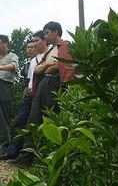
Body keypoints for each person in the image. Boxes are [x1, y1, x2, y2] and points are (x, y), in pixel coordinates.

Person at [12, 22, 75, 168]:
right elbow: (38, 70)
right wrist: (49, 66)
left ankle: (46, 160)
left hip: (54, 84)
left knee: (49, 121)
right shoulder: (50, 51)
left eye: (47, 33)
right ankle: (26, 159)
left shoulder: (64, 45)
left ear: (56, 32)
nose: (45, 36)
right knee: (34, 121)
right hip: (43, 85)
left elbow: (64, 66)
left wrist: (49, 67)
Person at [0, 31, 48, 160]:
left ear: (44, 40)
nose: (34, 45)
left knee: (35, 126)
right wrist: (28, 89)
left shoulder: (49, 56)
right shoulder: (33, 61)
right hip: (30, 94)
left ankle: (31, 156)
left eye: (36, 41)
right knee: (19, 122)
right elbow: (30, 79)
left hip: (41, 95)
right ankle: (13, 152)